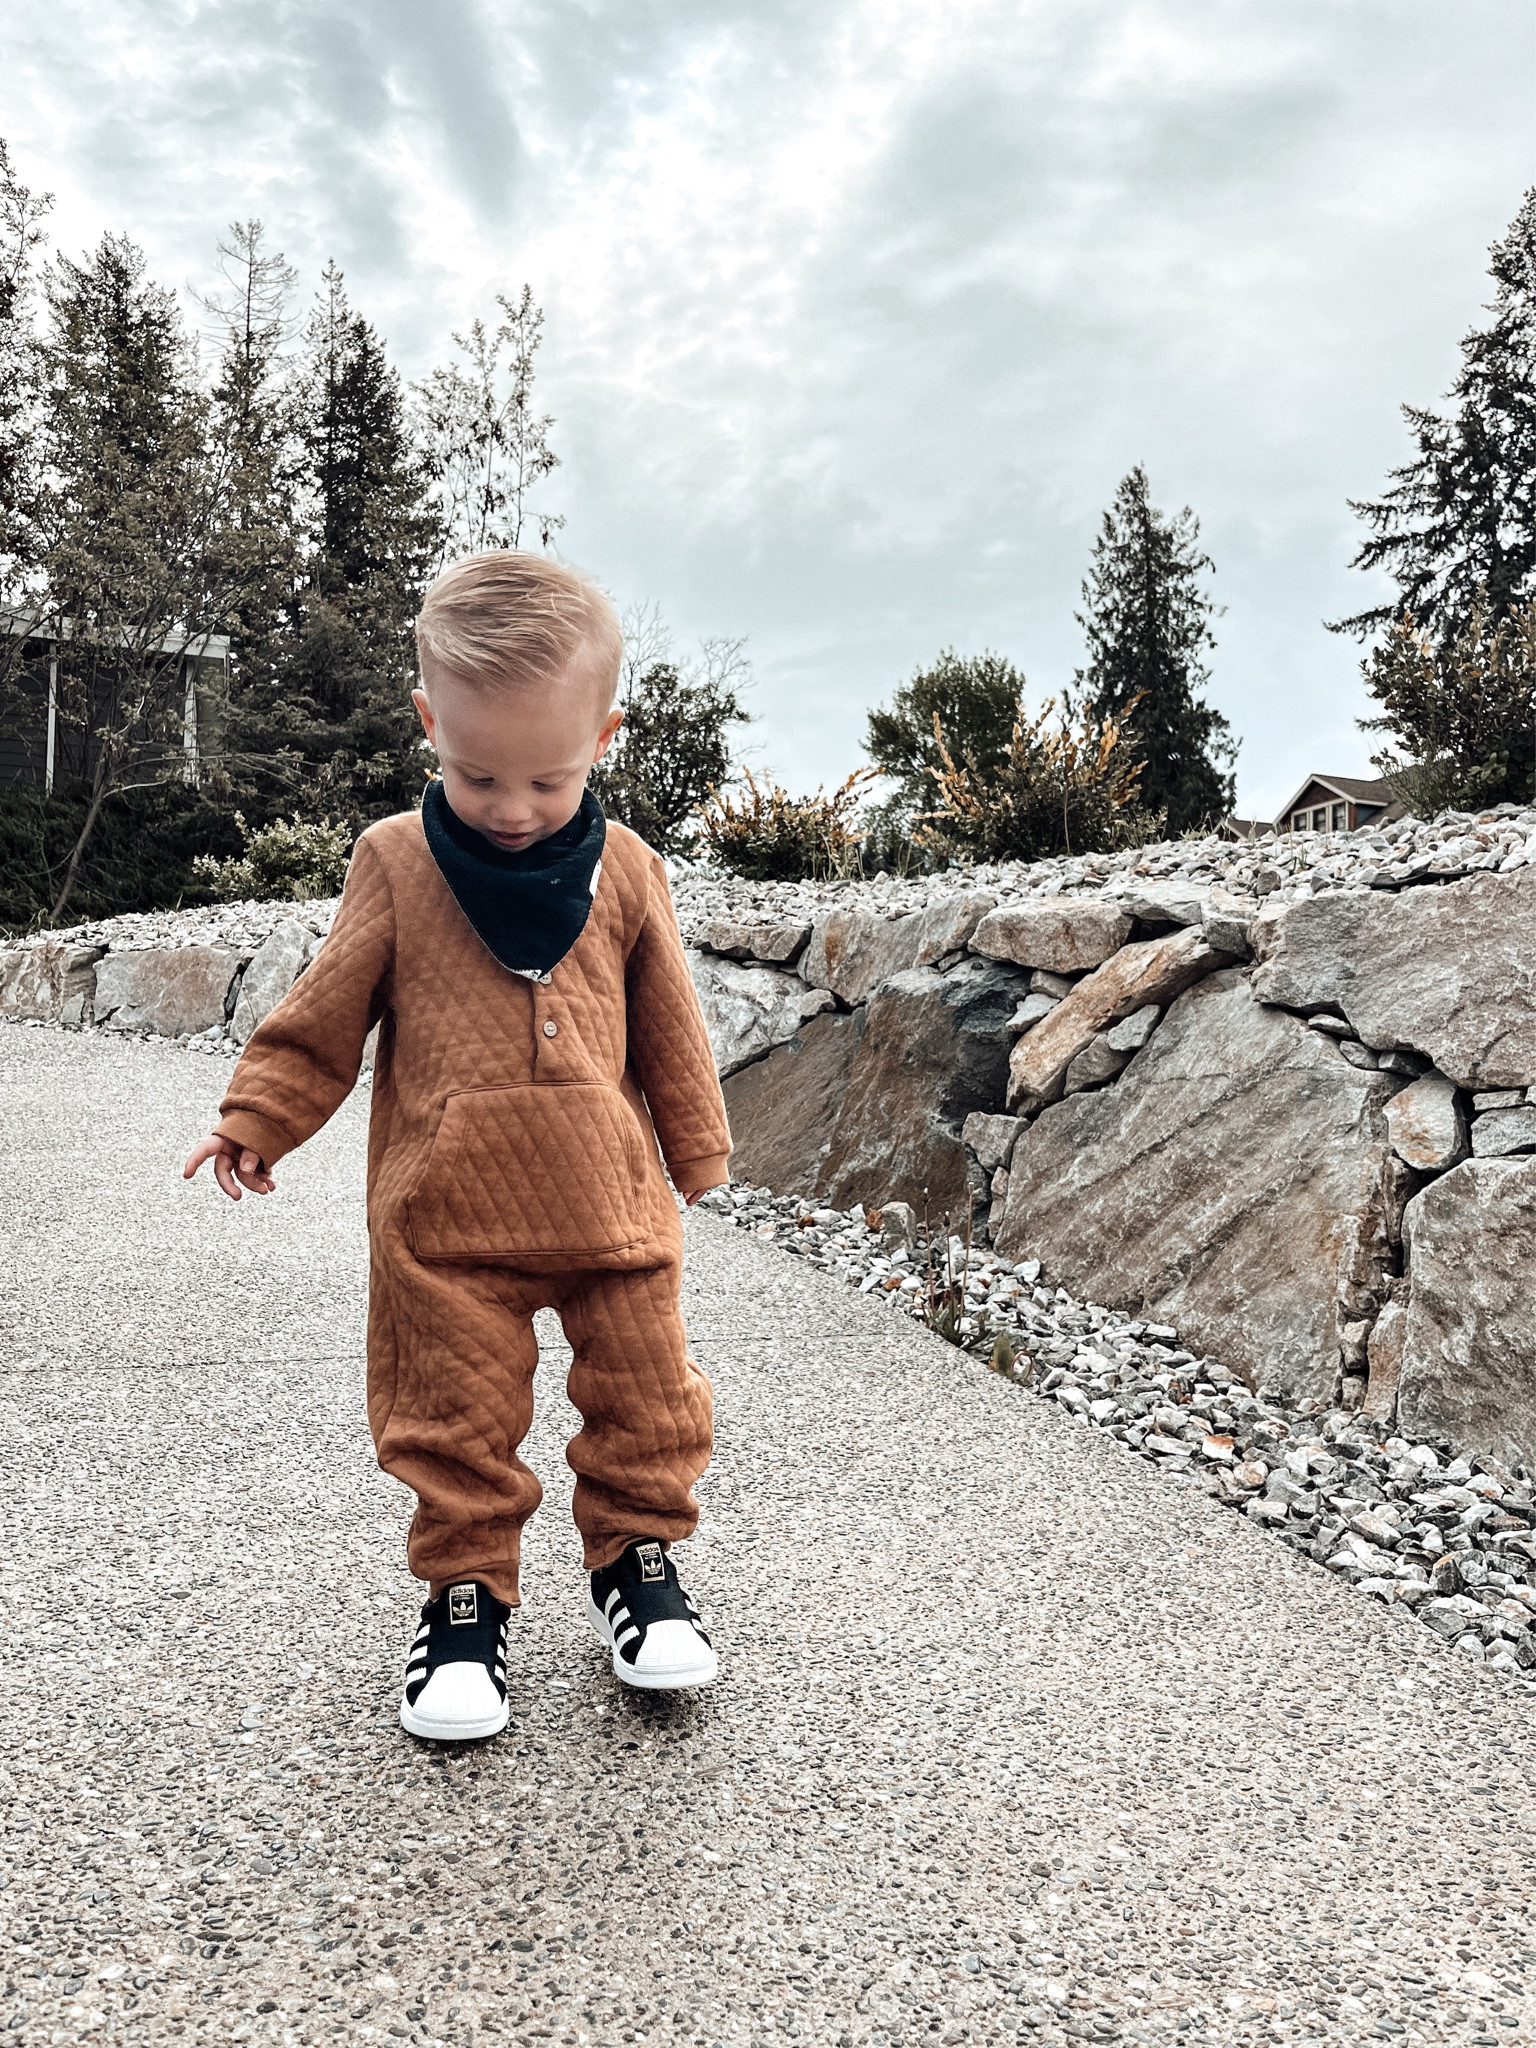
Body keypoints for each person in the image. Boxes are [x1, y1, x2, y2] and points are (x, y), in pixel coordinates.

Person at [183, 552, 731, 1742]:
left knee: (649, 1394)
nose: (515, 804)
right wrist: (258, 1114)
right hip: (447, 1223)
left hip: (613, 1210)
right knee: (453, 1416)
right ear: (431, 724)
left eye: (550, 774)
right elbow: (327, 1009)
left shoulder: (630, 866)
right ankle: (466, 1595)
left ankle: (638, 1564)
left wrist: (696, 1152)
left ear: (605, 735)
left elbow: (668, 1016)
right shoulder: (395, 859)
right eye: (478, 771)